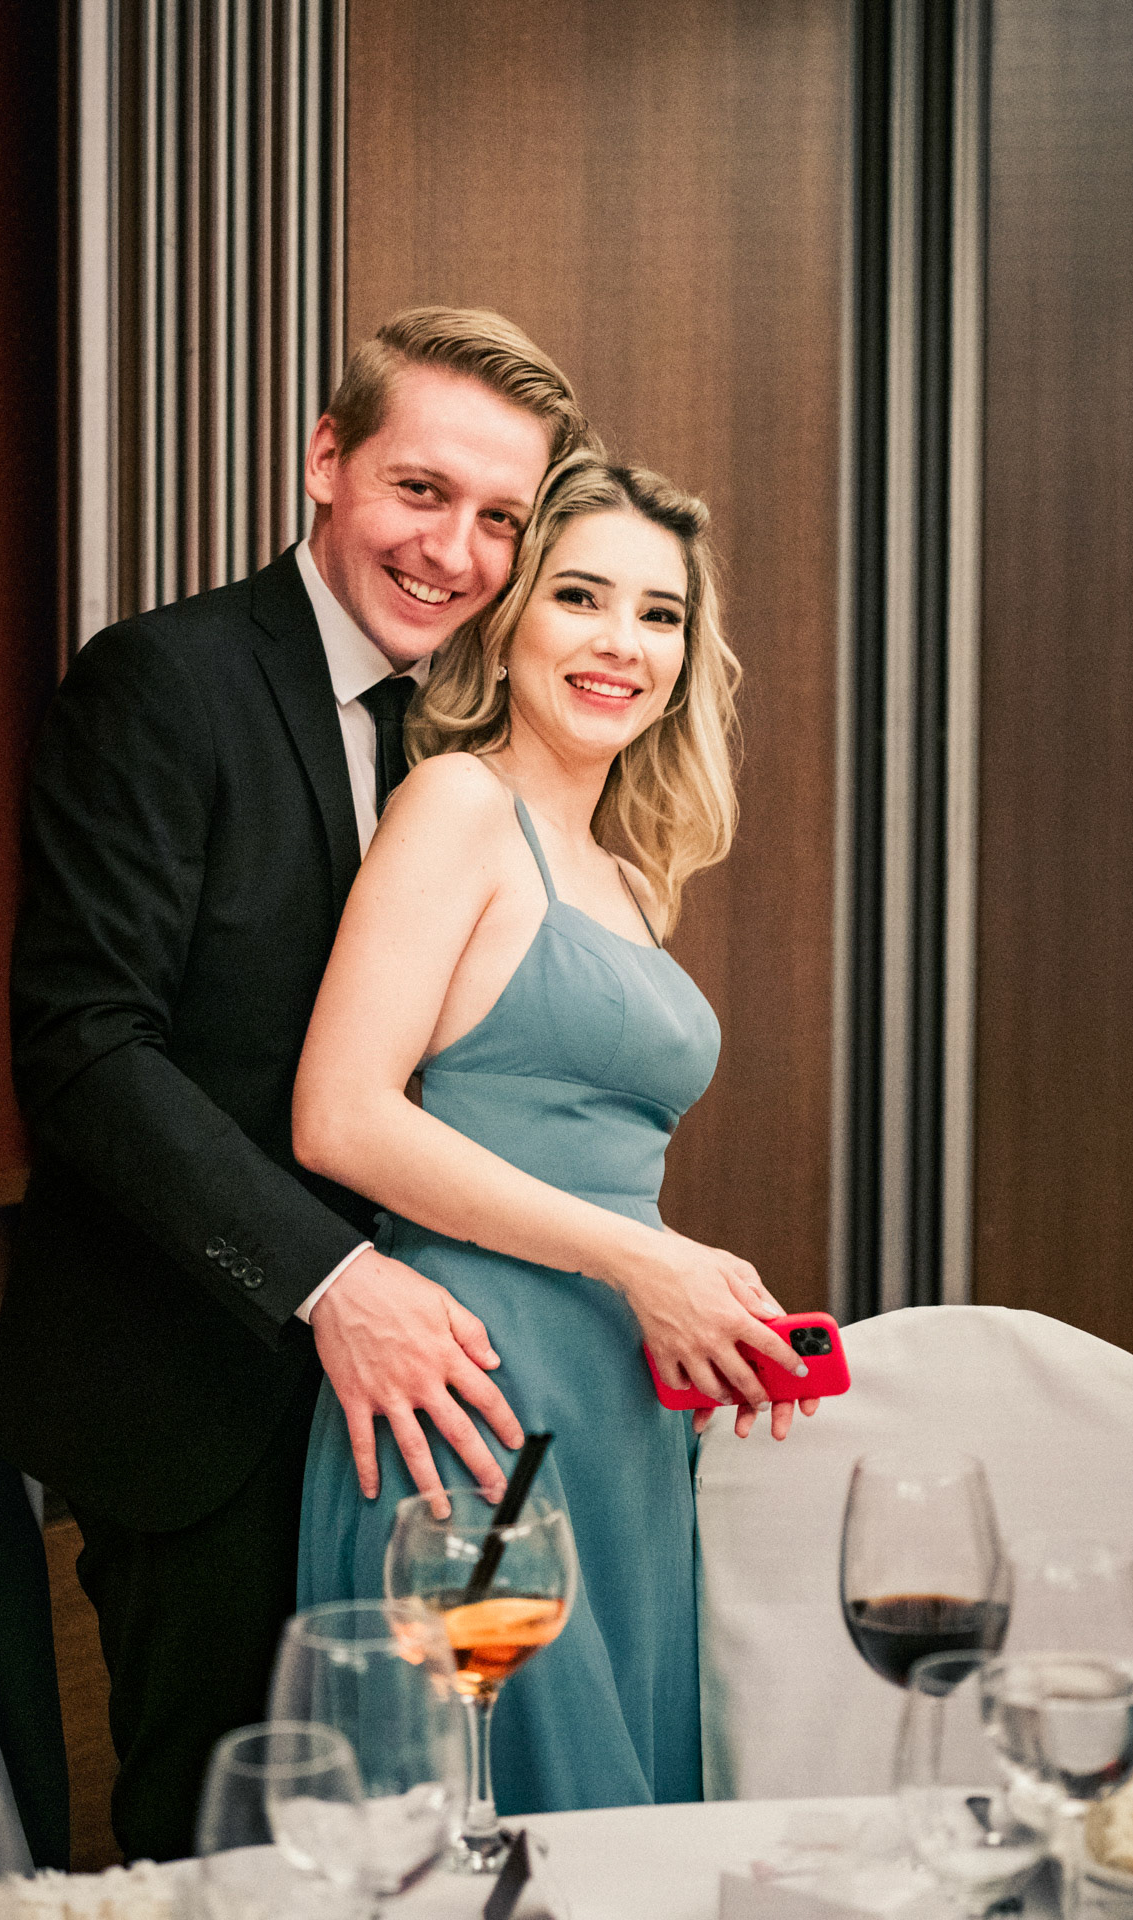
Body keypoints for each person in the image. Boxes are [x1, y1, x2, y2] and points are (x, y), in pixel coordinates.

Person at [0, 308, 593, 1862]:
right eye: (419, 490)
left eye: (499, 519)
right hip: (204, 1398)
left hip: (431, 1413)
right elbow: (83, 1044)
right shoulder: (162, 680)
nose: (452, 553)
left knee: (421, 1837)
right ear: (326, 459)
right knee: (234, 1848)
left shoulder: (474, 733)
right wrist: (330, 1280)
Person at [293, 452, 819, 1813]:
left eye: (659, 613)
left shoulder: (634, 877)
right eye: (581, 596)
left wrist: (692, 1297)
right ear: (511, 617)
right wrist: (645, 1262)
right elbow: (340, 1115)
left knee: (626, 1837)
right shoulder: (458, 805)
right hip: (474, 1391)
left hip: (622, 1407)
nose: (620, 641)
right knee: (510, 1839)